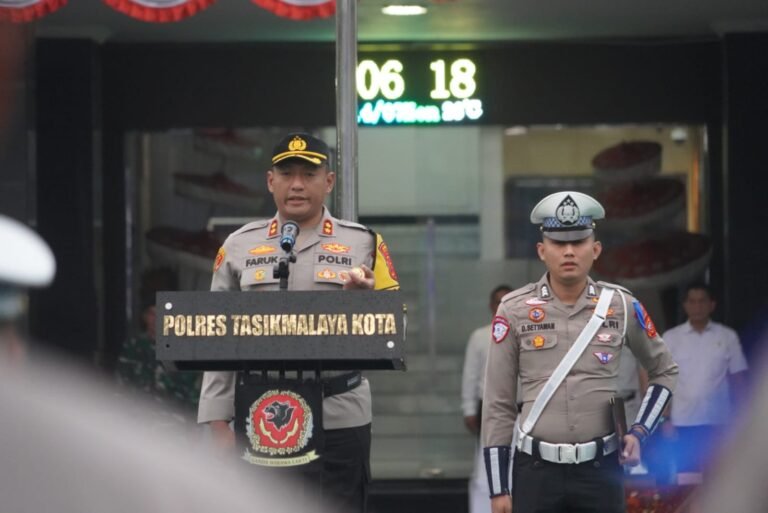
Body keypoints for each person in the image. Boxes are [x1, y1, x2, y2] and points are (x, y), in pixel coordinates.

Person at [0, 214, 330, 513]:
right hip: (143, 435)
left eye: (161, 315)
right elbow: (122, 395)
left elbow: (205, 400)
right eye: (150, 314)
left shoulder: (194, 349)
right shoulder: (134, 353)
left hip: (180, 436)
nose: (154, 322)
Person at [197, 132, 399, 513]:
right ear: (270, 181)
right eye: (286, 174)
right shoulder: (239, 245)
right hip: (261, 412)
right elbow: (213, 335)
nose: (297, 185)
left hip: (339, 412)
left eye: (308, 174)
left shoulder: (364, 243)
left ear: (330, 181)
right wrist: (216, 420)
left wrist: (365, 302)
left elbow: (395, 326)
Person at [481, 191, 679, 513]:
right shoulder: (514, 309)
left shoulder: (621, 306)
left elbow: (665, 370)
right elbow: (498, 402)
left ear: (596, 249)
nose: (569, 251)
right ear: (542, 251)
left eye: (579, 241)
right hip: (536, 470)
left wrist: (640, 431)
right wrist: (498, 488)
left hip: (600, 470)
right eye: (558, 244)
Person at [660, 282, 748, 475]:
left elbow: (738, 379)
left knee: (718, 480)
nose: (697, 306)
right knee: (686, 480)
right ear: (685, 305)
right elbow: (663, 381)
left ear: (712, 305)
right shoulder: (671, 338)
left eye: (702, 301)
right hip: (683, 422)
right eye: (692, 301)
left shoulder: (727, 336)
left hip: (718, 422)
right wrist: (664, 419)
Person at [462, 284, 513, 513]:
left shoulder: (523, 333)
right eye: (497, 301)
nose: (501, 306)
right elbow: (470, 375)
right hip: (489, 408)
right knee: (485, 467)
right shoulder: (480, 336)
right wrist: (469, 409)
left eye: (506, 301)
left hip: (521, 409)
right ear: (491, 305)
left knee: (518, 466)